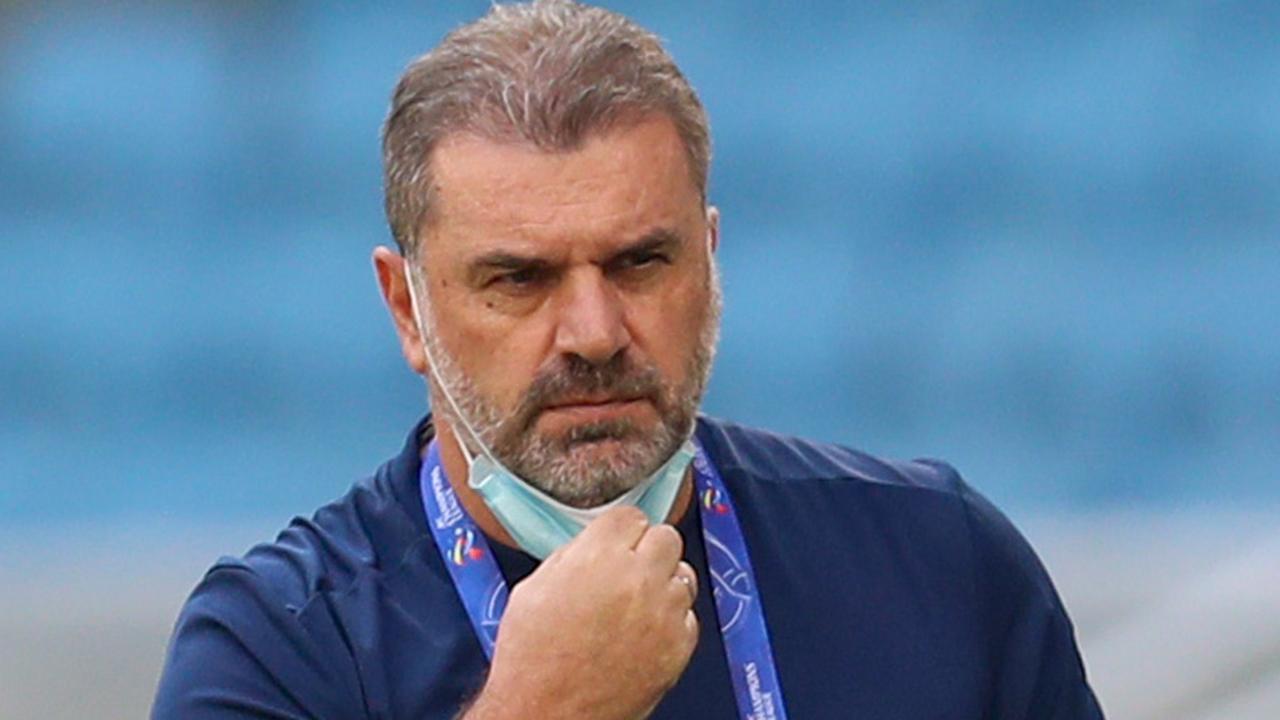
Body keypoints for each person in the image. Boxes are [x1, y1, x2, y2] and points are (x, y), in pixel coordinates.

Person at [153, 1, 1105, 718]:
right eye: (519, 279)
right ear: (407, 308)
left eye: (641, 261)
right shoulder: (278, 648)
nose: (594, 332)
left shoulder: (939, 562)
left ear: (710, 259)